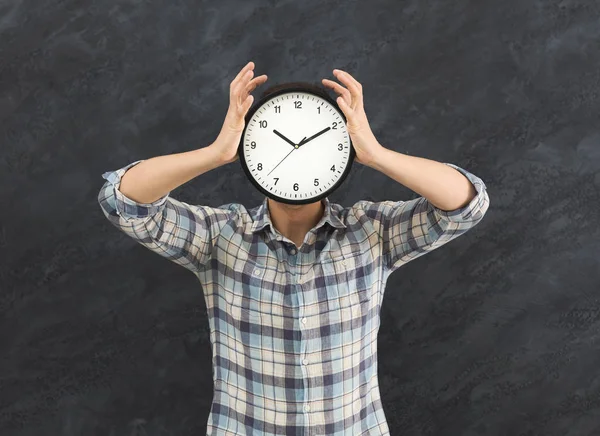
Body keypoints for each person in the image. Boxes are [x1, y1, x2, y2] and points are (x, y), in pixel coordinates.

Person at [98, 61, 490, 436]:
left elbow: (466, 205)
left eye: (314, 141)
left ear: (341, 151)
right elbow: (124, 203)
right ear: (250, 151)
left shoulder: (373, 232)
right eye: (275, 140)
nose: (298, 154)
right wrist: (215, 152)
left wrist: (376, 154)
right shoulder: (219, 236)